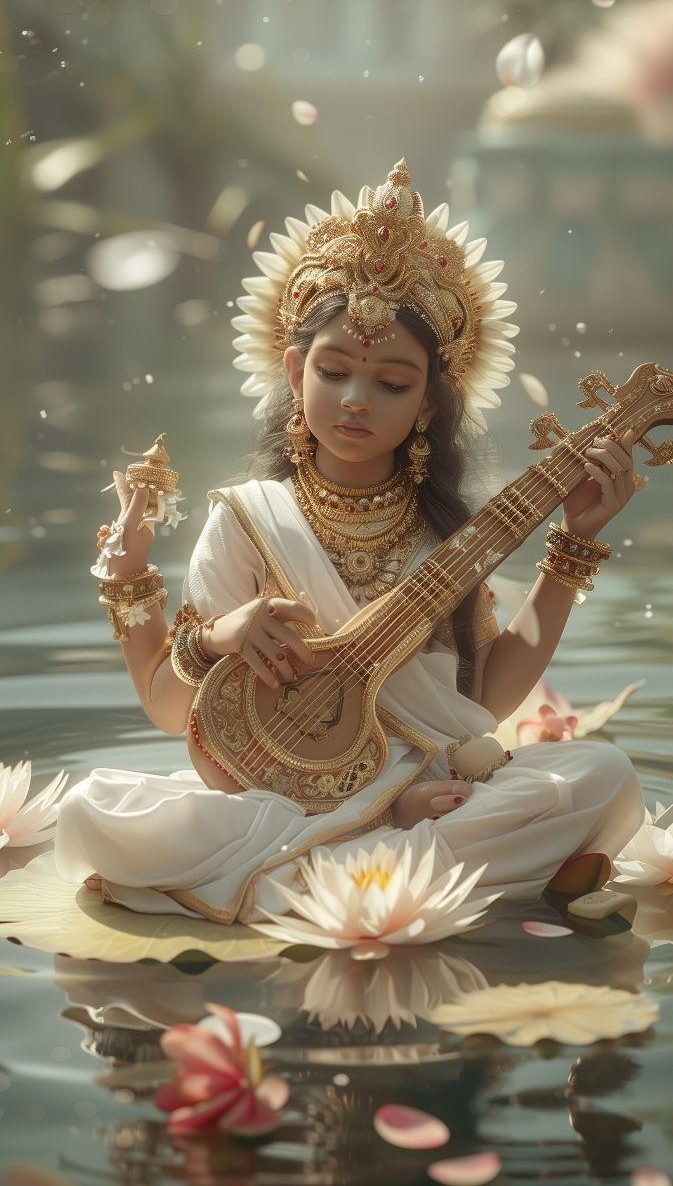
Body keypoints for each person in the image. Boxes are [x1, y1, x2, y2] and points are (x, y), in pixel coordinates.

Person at [55, 160, 646, 924]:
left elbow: (486, 700)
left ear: (431, 404)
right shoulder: (247, 517)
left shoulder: (446, 537)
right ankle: (366, 858)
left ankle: (303, 877)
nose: (356, 401)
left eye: (392, 384)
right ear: (296, 370)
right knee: (95, 812)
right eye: (333, 372)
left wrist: (572, 546)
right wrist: (223, 638)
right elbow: (175, 715)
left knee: (600, 773)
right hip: (277, 799)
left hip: (433, 795)